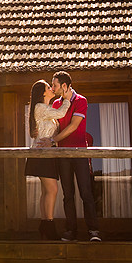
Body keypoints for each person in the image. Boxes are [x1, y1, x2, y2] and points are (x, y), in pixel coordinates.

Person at [49, 70, 101, 242]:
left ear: (64, 86)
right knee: (68, 194)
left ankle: (93, 231)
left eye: (55, 85)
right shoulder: (56, 104)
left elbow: (73, 126)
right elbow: (55, 127)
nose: (52, 88)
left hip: (80, 153)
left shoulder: (81, 101)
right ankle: (71, 231)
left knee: (86, 192)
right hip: (62, 154)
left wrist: (53, 140)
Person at [24, 79, 71, 240]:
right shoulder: (40, 107)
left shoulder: (45, 109)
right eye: (48, 87)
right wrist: (67, 98)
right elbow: (61, 113)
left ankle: (44, 224)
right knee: (52, 190)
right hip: (42, 154)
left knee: (46, 191)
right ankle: (49, 226)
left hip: (46, 154)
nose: (52, 89)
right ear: (43, 93)